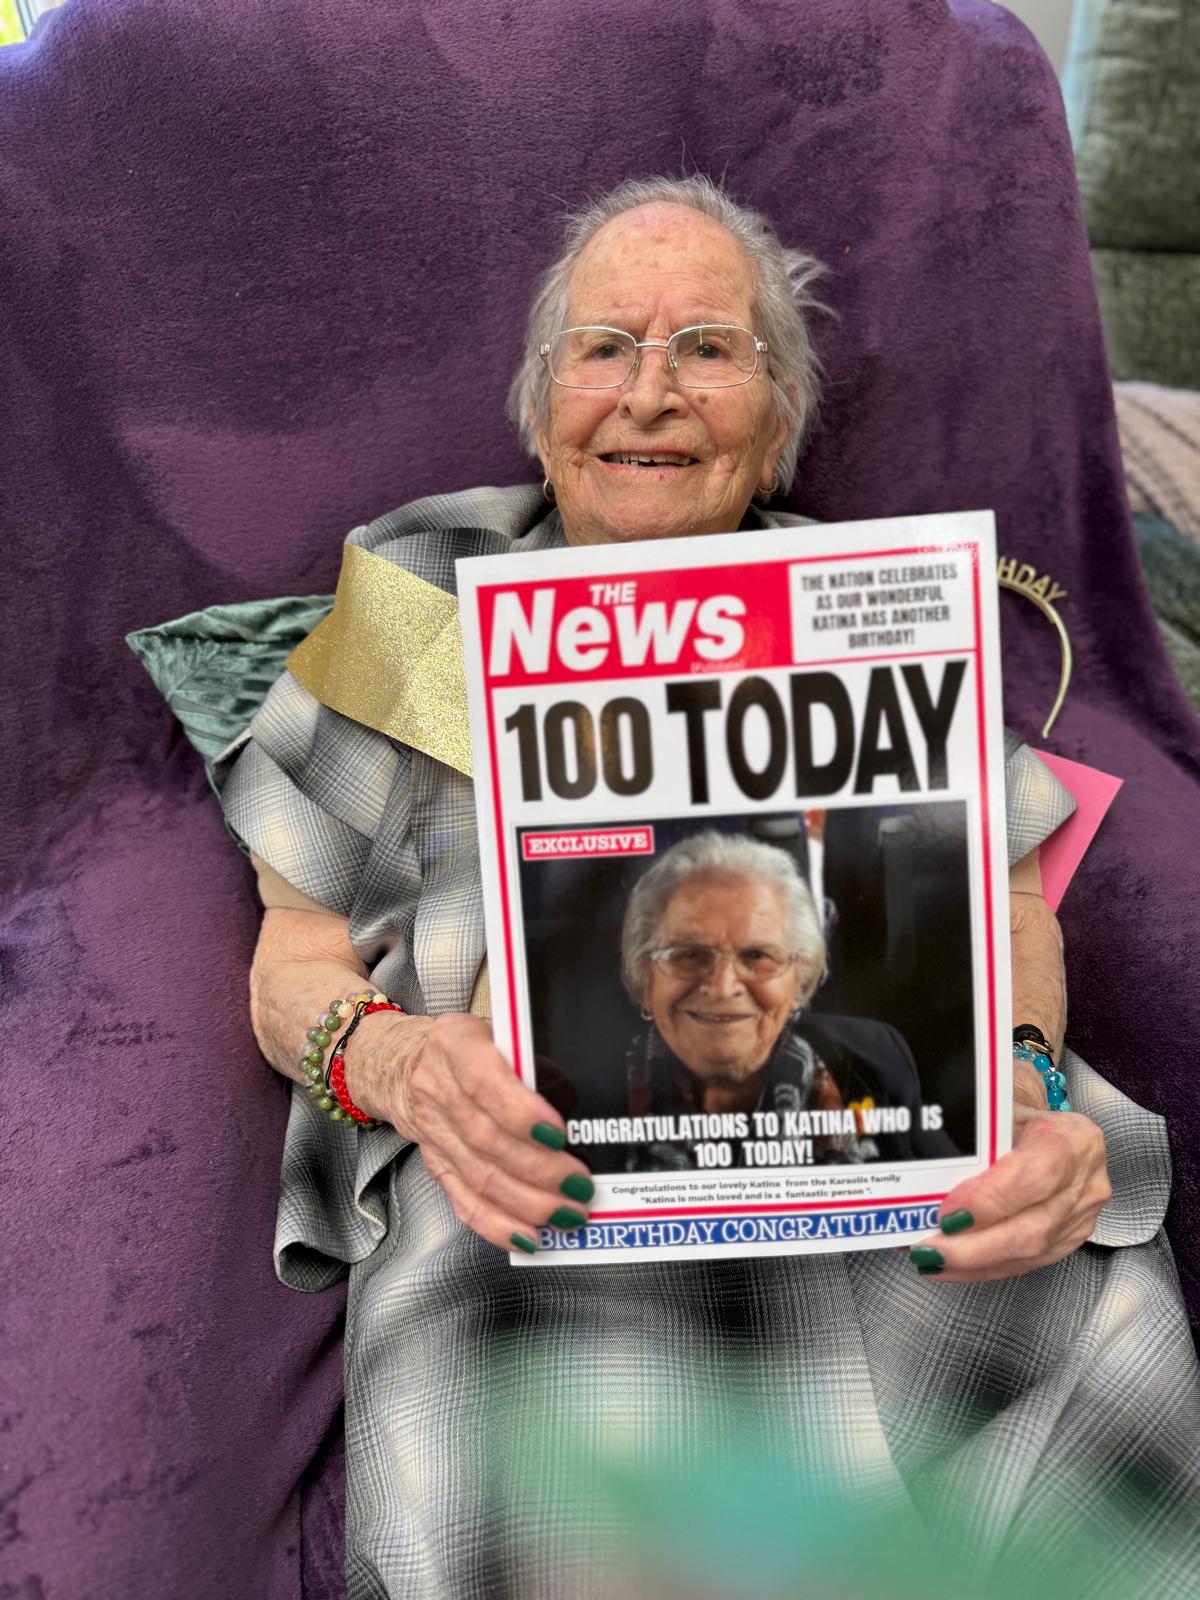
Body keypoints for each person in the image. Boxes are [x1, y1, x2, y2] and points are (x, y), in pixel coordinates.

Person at [215, 177, 1199, 1597]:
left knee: (1095, 1333)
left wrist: (1030, 1085)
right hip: (537, 1180)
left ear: (776, 423)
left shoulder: (854, 597)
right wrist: (405, 1067)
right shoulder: (426, 591)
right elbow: (292, 943)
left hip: (885, 1158)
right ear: (542, 406)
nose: (650, 393)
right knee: (550, 1466)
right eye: (605, 347)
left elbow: (1014, 904)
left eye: (710, 348)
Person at [612, 829, 957, 1170]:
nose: (722, 987)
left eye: (757, 955)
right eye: (689, 954)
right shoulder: (586, 1101)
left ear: (799, 981)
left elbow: (958, 1182)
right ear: (645, 979)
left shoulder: (876, 1061)